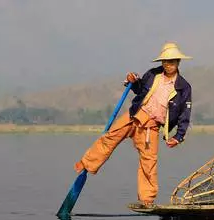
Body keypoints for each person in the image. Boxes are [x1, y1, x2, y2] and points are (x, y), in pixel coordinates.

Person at [74, 42, 193, 206]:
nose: (168, 64)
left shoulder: (183, 87)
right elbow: (139, 89)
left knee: (149, 162)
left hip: (151, 126)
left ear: (178, 62)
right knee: (109, 138)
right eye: (165, 61)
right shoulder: (153, 74)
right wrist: (132, 80)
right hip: (134, 115)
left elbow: (184, 114)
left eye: (172, 61)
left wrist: (178, 137)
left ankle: (147, 199)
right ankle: (87, 163)